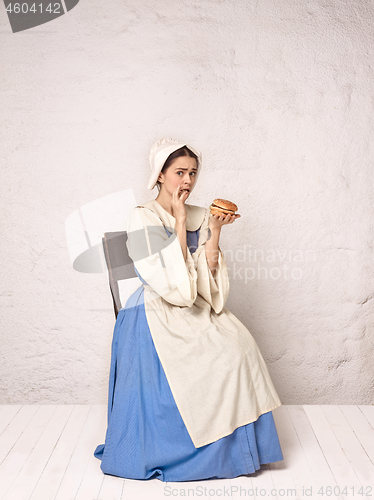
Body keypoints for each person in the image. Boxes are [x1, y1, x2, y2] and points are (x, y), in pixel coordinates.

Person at [94, 138, 284, 481]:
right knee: (217, 353)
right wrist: (180, 222)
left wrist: (214, 231)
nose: (188, 181)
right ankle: (184, 447)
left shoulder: (200, 214)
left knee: (238, 346)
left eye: (193, 173)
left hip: (192, 299)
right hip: (154, 307)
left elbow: (206, 273)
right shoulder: (142, 217)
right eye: (180, 172)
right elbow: (166, 277)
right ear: (161, 175)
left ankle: (235, 450)